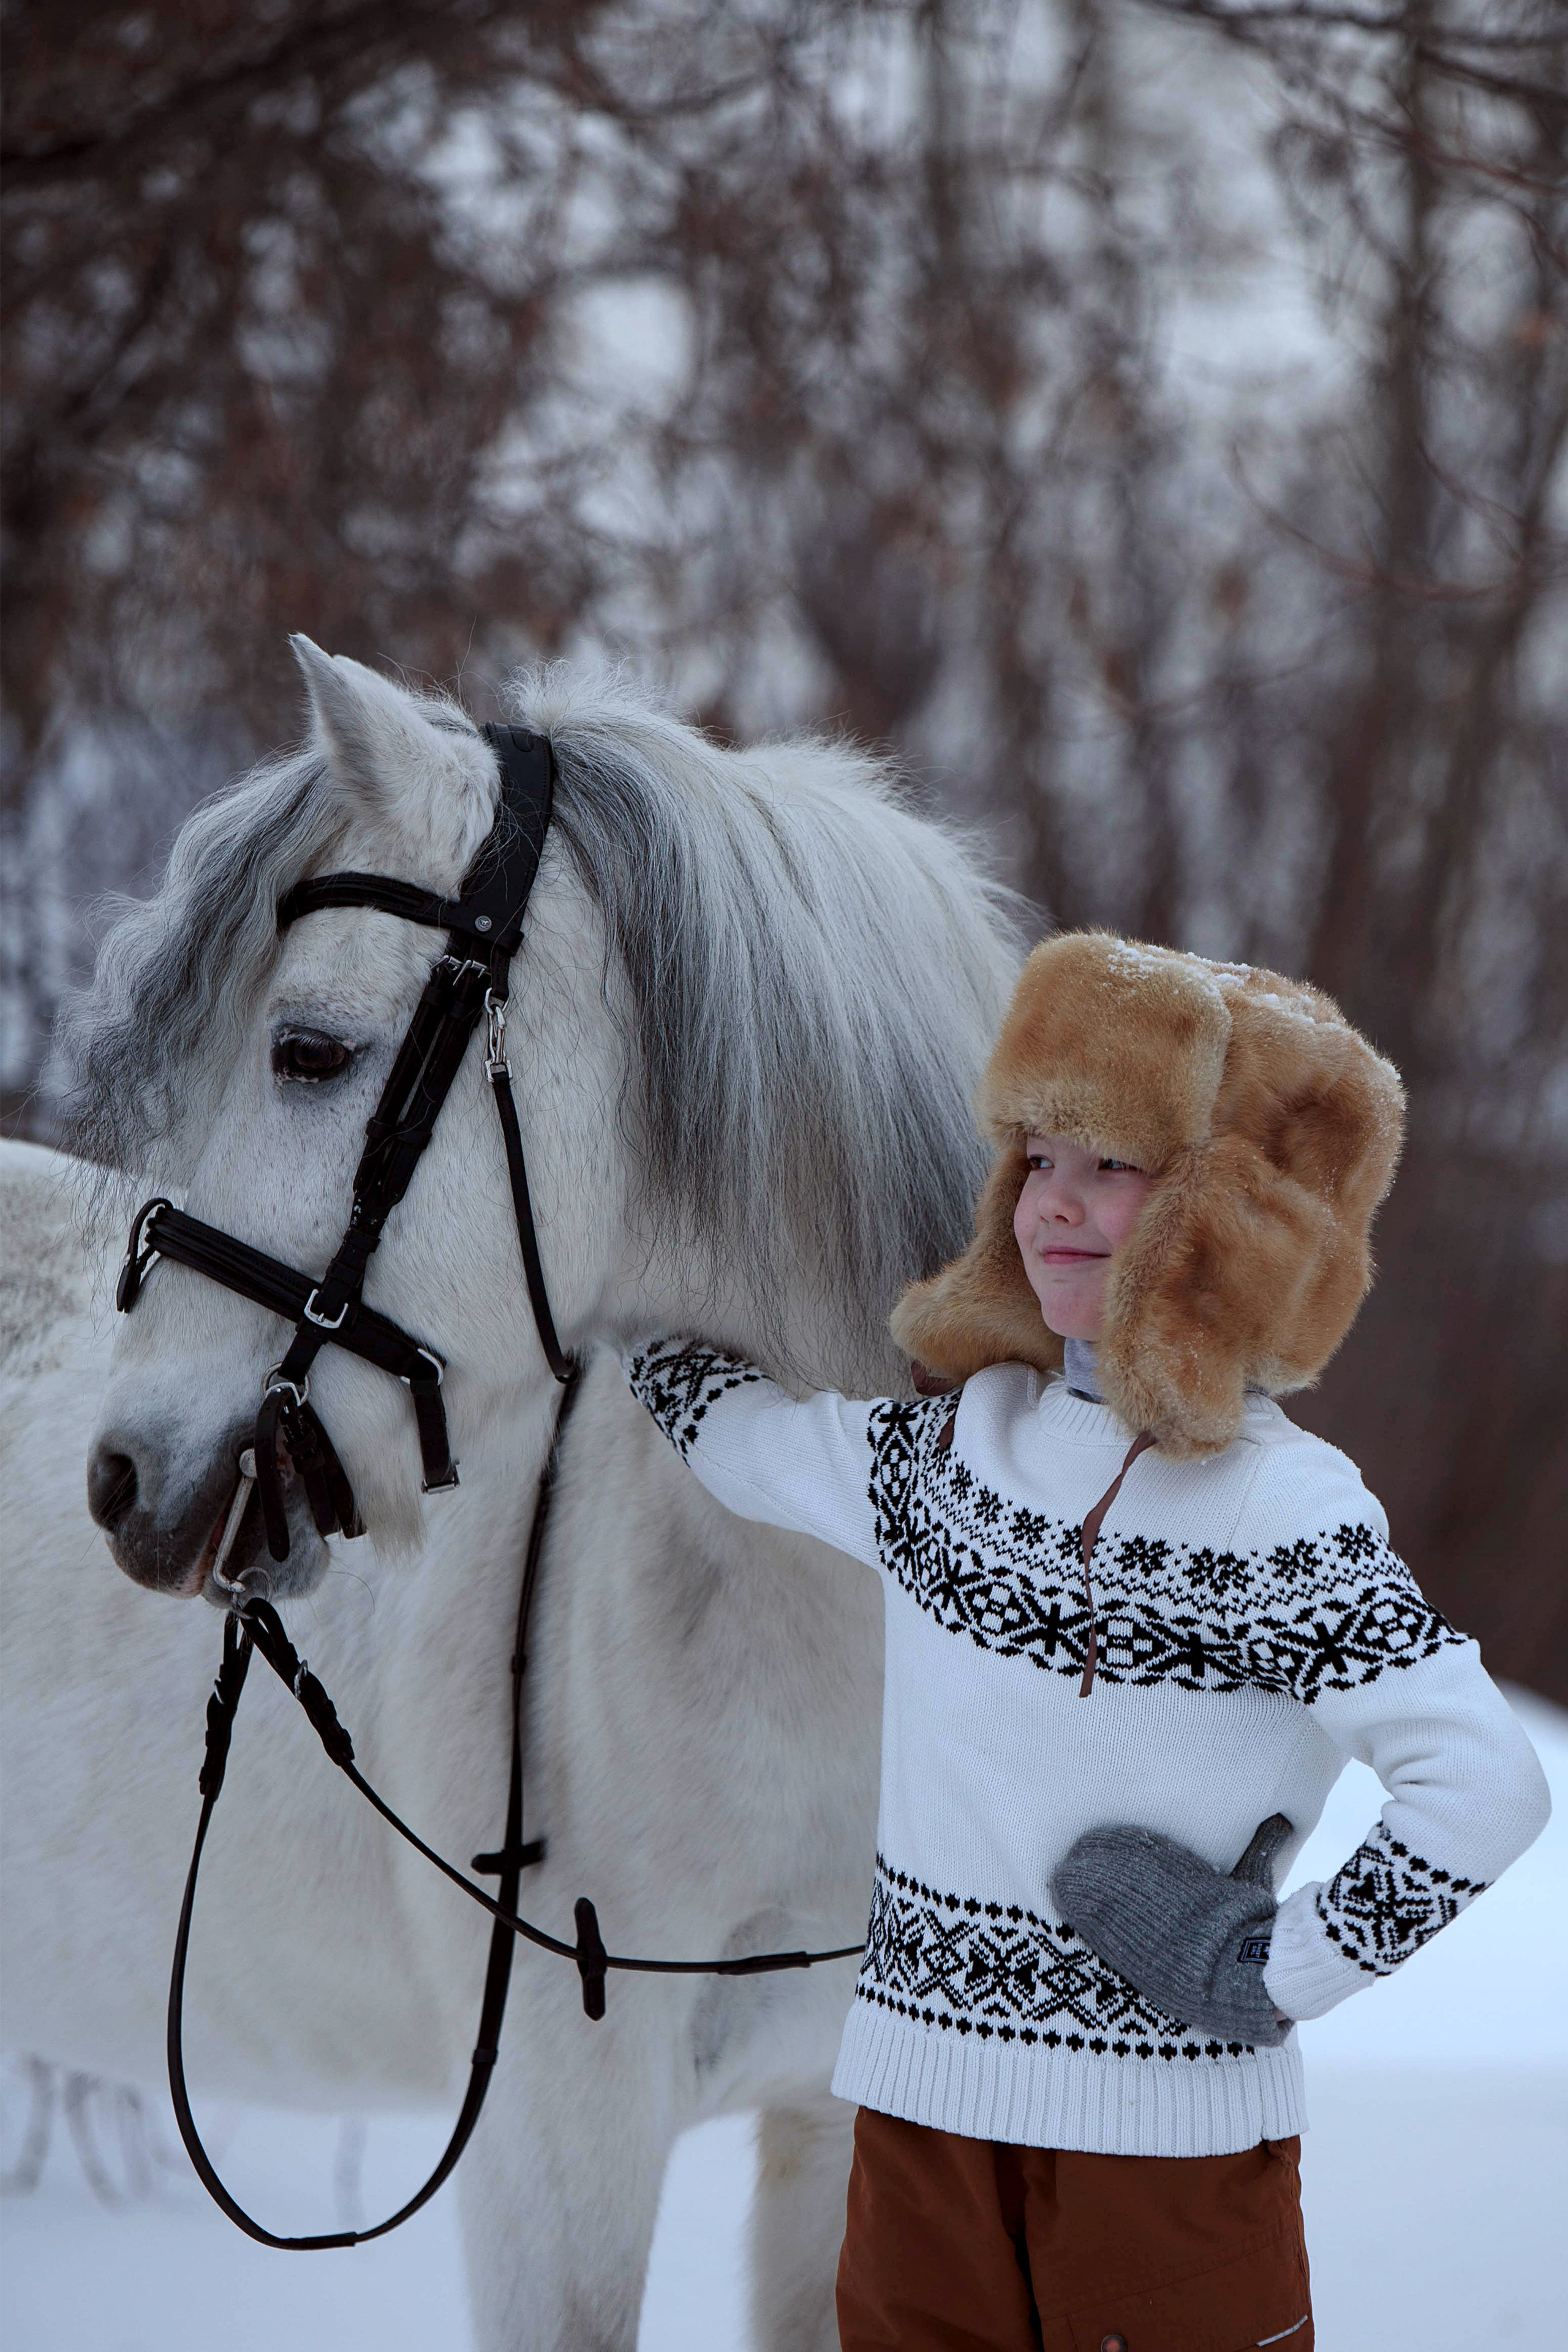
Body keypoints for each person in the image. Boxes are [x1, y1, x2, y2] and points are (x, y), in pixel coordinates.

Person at [618, 931, 1550, 2351]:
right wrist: (612, 1303)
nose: (1052, 1204)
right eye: (1037, 1159)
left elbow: (1484, 1786)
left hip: (1163, 2175)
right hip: (917, 2147)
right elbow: (744, 1438)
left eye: (1109, 1168)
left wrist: (1276, 1974)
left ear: (1222, 1215)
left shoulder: (1277, 1507)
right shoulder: (946, 1455)